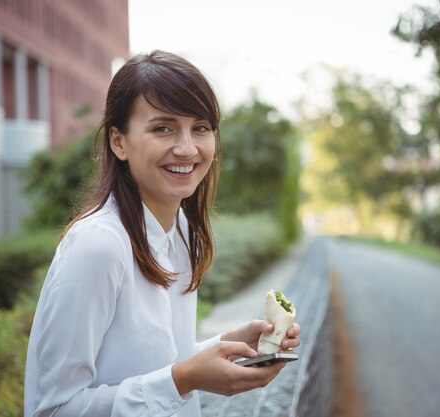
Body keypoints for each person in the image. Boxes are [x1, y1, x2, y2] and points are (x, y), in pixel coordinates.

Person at [24, 50, 301, 417]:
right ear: (118, 142)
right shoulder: (98, 246)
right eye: (162, 128)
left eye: (200, 127)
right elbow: (55, 408)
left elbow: (159, 360)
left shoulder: (183, 232)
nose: (187, 148)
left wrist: (229, 345)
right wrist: (183, 379)